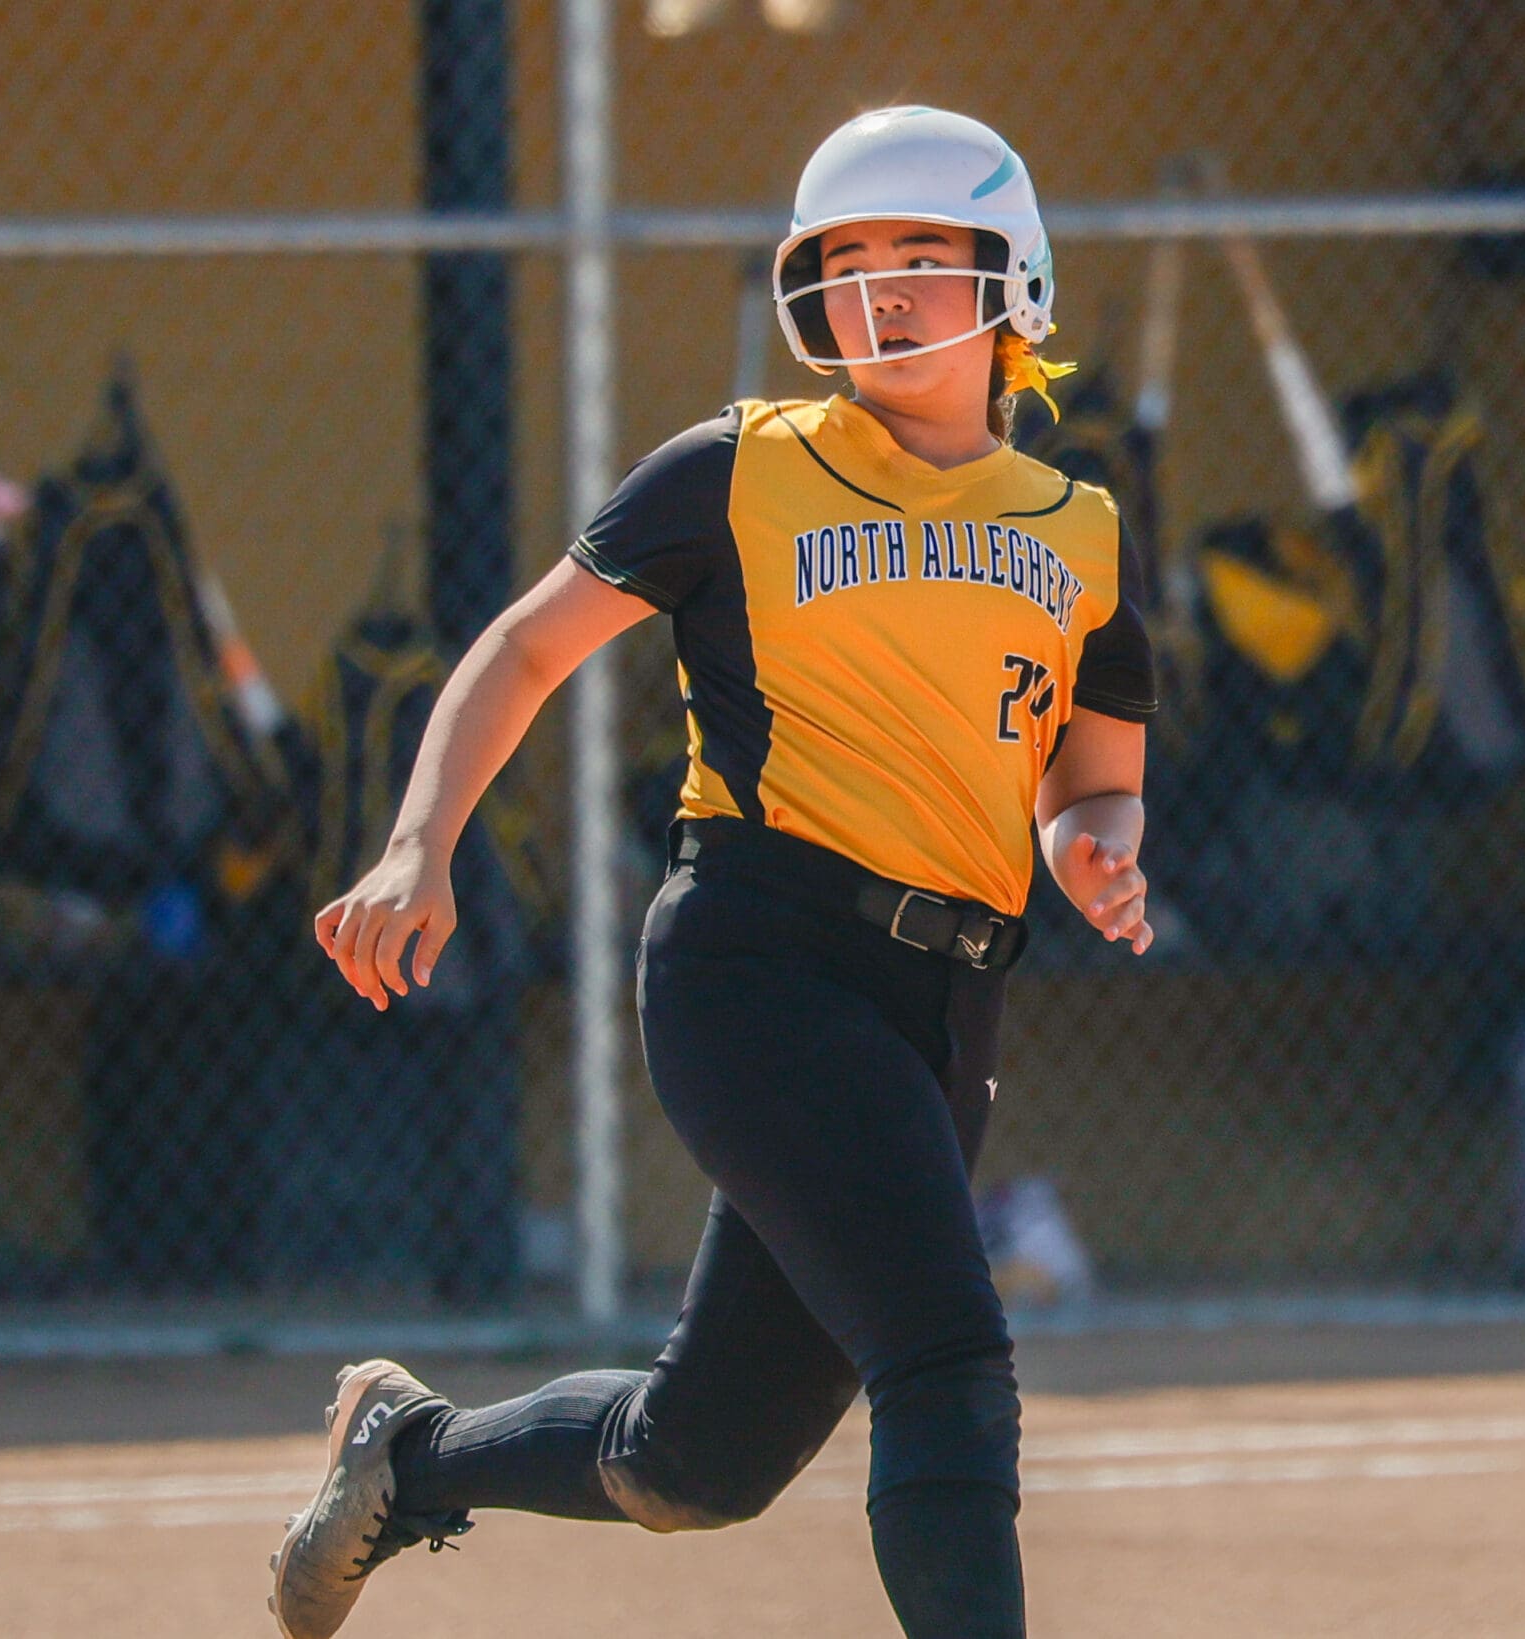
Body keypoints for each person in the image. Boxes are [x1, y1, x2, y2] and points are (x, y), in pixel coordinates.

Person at [267, 106, 1157, 1639]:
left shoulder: (1078, 533)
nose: (880, 291)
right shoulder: (740, 470)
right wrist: (421, 842)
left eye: (922, 255)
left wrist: (1097, 849)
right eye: (848, 261)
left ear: (1014, 277)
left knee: (700, 1459)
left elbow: (1097, 769)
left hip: (947, 1011)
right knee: (947, 1358)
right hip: (760, 964)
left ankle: (409, 1459)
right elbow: (524, 647)